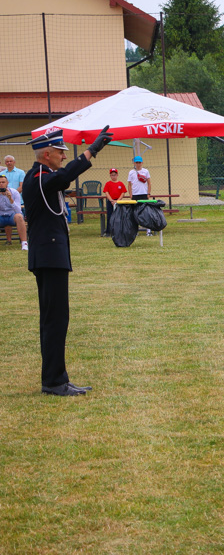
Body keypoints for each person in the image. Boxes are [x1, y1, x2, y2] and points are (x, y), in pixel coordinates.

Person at [23, 126, 113, 396]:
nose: (63, 156)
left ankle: (57, 377)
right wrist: (92, 150)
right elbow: (64, 176)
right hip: (49, 256)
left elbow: (61, 179)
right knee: (55, 320)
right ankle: (53, 382)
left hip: (51, 255)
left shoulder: (42, 176)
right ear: (46, 154)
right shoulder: (39, 176)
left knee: (56, 319)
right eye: (60, 152)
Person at [0, 175, 28, 250]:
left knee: (19, 216)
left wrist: (10, 199)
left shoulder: (14, 192)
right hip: (1, 215)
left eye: (3, 182)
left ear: (7, 183)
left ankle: (24, 243)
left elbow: (18, 210)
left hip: (12, 215)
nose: (1, 184)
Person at [128, 156, 152, 235]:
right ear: (134, 163)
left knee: (146, 212)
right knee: (135, 213)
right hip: (135, 195)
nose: (138, 164)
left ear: (142, 163)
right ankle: (136, 230)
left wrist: (148, 193)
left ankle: (148, 230)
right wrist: (130, 194)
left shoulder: (146, 171)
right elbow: (129, 184)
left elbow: (149, 183)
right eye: (137, 162)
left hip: (144, 194)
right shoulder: (131, 172)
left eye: (139, 162)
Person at [102, 168, 127, 236]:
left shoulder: (120, 183)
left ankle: (119, 231)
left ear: (117, 175)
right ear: (110, 176)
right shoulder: (108, 184)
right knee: (110, 216)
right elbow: (106, 192)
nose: (113, 176)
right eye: (112, 175)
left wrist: (118, 200)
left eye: (115, 175)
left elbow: (123, 192)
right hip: (111, 201)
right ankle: (109, 231)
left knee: (119, 216)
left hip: (118, 202)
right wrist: (111, 200)